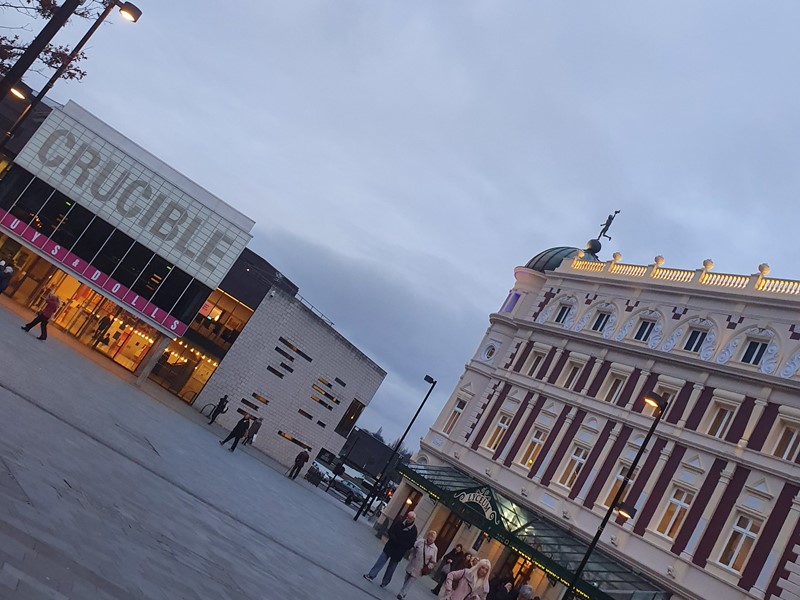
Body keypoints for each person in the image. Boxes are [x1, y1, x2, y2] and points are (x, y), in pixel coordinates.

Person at [364, 511, 418, 589]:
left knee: (391, 568)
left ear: (413, 519)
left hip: (399, 551)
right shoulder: (400, 523)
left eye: (409, 518)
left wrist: (402, 545)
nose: (407, 518)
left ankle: (385, 582)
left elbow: (411, 544)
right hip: (390, 546)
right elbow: (391, 531)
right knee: (380, 561)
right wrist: (394, 539)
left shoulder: (413, 530)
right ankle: (371, 575)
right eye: (407, 516)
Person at [398, 529, 438, 599]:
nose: (431, 539)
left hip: (420, 567)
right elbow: (414, 548)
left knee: (411, 580)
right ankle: (404, 591)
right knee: (407, 577)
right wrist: (411, 556)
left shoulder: (435, 549)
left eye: (433, 537)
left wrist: (428, 567)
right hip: (413, 562)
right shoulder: (421, 541)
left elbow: (433, 561)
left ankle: (402, 593)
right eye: (431, 536)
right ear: (428, 536)